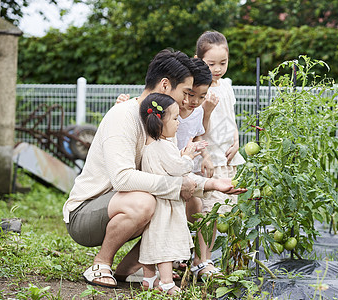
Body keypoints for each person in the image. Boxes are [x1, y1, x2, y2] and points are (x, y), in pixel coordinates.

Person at [62, 49, 243, 289]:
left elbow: (170, 169)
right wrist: (178, 186)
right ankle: (100, 263)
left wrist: (210, 185)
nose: (187, 100)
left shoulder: (161, 122)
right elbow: (122, 179)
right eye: (185, 92)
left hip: (122, 202)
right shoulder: (123, 116)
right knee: (147, 202)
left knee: (192, 204)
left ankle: (129, 270)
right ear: (166, 85)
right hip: (85, 212)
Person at [138, 92, 235, 294]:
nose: (178, 123)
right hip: (167, 206)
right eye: (174, 119)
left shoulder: (154, 145)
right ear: (159, 122)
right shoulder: (162, 146)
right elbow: (179, 169)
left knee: (152, 242)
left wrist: (183, 154)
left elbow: (170, 165)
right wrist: (189, 156)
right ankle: (166, 282)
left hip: (160, 203)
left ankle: (149, 279)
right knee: (165, 244)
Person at [190, 31, 246, 278]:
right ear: (198, 59)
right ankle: (204, 261)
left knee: (222, 211)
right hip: (209, 160)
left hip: (227, 158)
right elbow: (197, 129)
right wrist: (205, 157)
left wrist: (237, 140)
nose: (217, 69)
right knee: (207, 213)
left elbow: (231, 119)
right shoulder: (197, 90)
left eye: (222, 63)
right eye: (211, 64)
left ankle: (201, 259)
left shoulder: (226, 86)